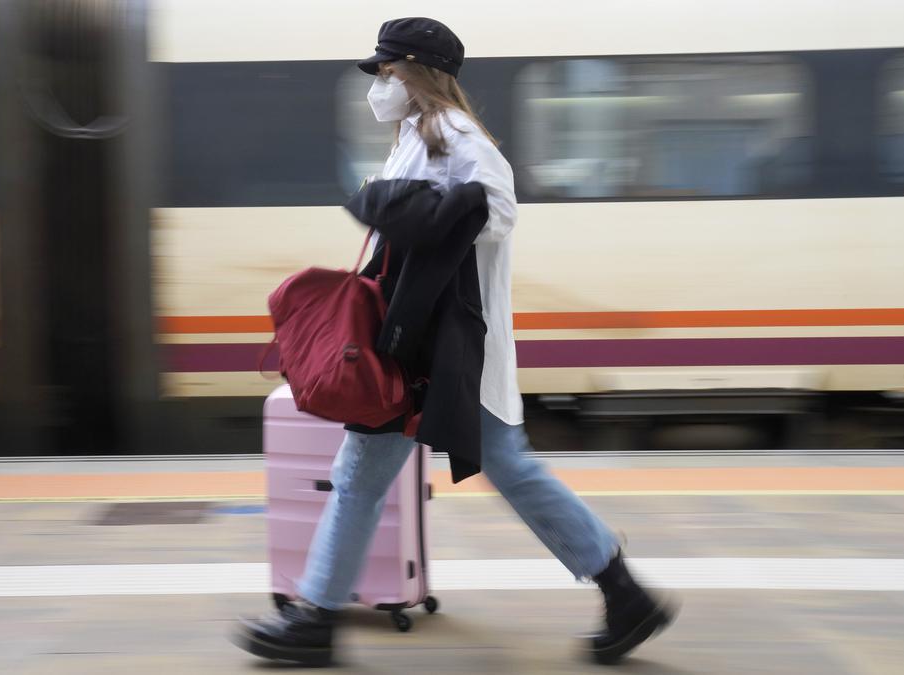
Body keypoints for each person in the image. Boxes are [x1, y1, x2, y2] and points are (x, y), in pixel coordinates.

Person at [233, 17, 677, 667]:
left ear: (415, 71)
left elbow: (493, 212)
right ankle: (623, 593)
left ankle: (316, 620)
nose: (379, 84)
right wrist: (394, 203)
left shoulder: (463, 140)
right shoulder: (416, 135)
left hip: (451, 351)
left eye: (386, 71)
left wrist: (394, 203)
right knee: (377, 474)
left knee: (483, 470)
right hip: (415, 347)